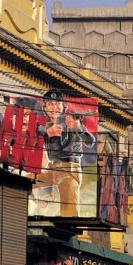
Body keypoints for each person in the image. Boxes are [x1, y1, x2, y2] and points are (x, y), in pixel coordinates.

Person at [35, 89, 97, 217]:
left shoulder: (70, 121)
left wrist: (77, 127)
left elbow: (90, 142)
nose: (55, 107)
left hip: (68, 169)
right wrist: (47, 132)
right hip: (51, 169)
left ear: (63, 106)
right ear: (45, 107)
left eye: (58, 104)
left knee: (69, 212)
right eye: (51, 104)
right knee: (21, 180)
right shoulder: (43, 125)